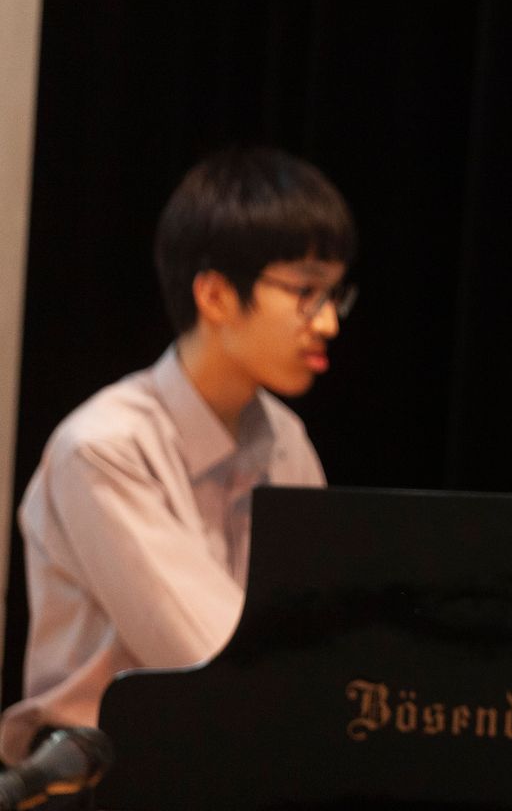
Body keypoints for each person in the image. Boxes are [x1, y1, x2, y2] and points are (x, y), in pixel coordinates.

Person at [0, 148, 356, 763]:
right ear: (215, 295)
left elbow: (321, 632)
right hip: (108, 778)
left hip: (239, 759)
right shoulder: (105, 447)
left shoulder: (285, 438)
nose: (327, 323)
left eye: (334, 295)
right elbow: (212, 662)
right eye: (305, 291)